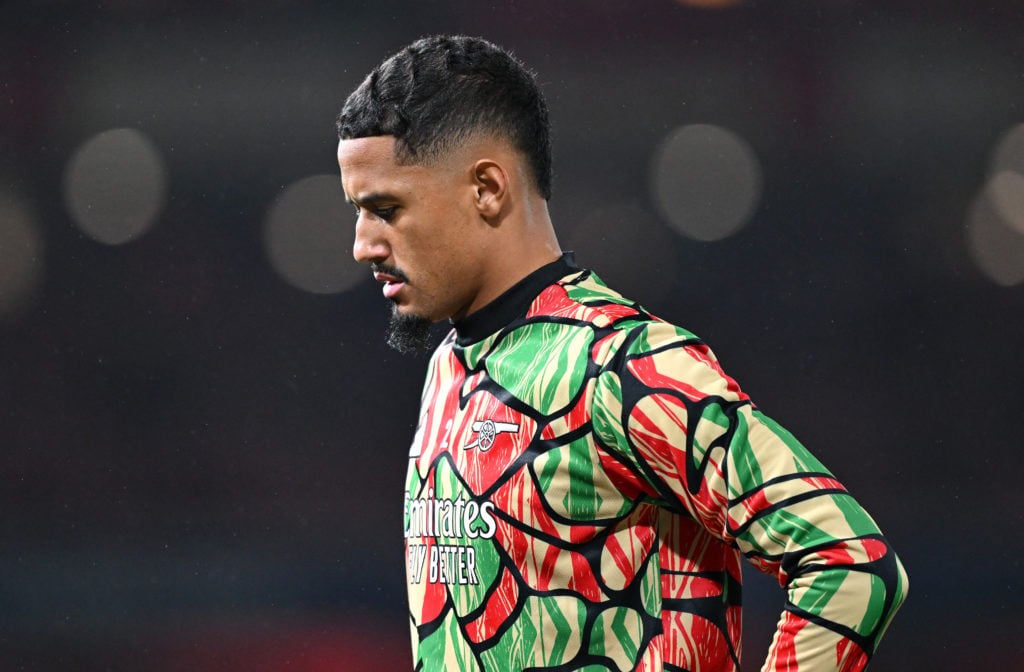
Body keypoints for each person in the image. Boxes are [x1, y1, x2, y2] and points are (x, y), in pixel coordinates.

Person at [336, 35, 907, 672]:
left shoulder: (626, 366)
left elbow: (849, 564)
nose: (363, 245)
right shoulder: (450, 365)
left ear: (487, 188)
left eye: (385, 209)